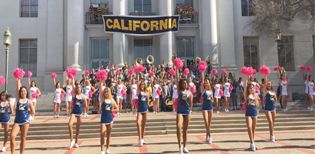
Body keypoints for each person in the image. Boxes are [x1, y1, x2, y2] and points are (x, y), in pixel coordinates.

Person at [11, 78, 35, 154]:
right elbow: (17, 88)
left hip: (25, 121)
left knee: (23, 138)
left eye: (24, 91)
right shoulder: (18, 99)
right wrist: (18, 80)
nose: (23, 92)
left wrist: (27, 111)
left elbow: (33, 112)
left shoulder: (29, 101)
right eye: (21, 91)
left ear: (26, 92)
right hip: (17, 122)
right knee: (12, 136)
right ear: (20, 93)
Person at [175, 68, 193, 154]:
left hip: (187, 111)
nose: (185, 83)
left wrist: (191, 110)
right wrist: (176, 69)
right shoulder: (179, 90)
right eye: (184, 82)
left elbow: (191, 102)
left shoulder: (189, 92)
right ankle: (180, 146)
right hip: (180, 112)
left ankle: (185, 146)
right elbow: (177, 79)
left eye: (186, 83)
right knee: (179, 127)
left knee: (185, 130)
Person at [99, 83, 119, 154]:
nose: (106, 93)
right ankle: (102, 150)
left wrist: (112, 110)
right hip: (103, 119)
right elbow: (100, 88)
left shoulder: (112, 100)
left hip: (110, 119)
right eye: (105, 92)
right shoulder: (102, 99)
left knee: (108, 135)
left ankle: (107, 149)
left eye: (107, 92)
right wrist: (101, 80)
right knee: (102, 134)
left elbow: (117, 109)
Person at [68, 80, 87, 149]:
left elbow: (85, 105)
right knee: (69, 125)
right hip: (74, 112)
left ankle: (76, 142)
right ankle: (71, 140)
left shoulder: (83, 96)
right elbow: (73, 85)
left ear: (81, 88)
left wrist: (85, 113)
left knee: (77, 129)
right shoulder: (74, 94)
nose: (78, 88)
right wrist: (72, 78)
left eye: (79, 87)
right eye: (77, 87)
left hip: (80, 113)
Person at [244, 80, 260, 151]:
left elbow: (258, 105)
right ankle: (253, 143)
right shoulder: (247, 95)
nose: (251, 89)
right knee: (249, 127)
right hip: (248, 114)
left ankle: (251, 144)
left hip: (255, 114)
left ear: (254, 89)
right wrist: (246, 76)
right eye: (250, 88)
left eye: (252, 88)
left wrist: (256, 84)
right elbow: (245, 85)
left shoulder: (256, 95)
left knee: (253, 130)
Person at [262, 76, 278, 142]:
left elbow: (276, 100)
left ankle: (271, 135)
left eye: (269, 84)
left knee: (272, 123)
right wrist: (265, 75)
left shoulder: (273, 92)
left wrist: (274, 98)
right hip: (267, 109)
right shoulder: (265, 91)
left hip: (273, 108)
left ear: (271, 85)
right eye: (267, 84)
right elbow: (264, 84)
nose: (268, 85)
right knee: (270, 122)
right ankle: (272, 136)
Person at [200, 73, 214, 144]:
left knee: (209, 124)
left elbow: (212, 100)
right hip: (204, 108)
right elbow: (202, 81)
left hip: (210, 107)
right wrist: (202, 72)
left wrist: (211, 99)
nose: (206, 83)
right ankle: (210, 137)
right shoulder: (203, 90)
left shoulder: (211, 91)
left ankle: (206, 137)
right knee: (206, 123)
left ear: (209, 83)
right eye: (205, 82)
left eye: (207, 82)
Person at [136, 75, 149, 146]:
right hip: (139, 110)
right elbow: (138, 83)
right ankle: (140, 138)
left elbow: (147, 101)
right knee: (138, 123)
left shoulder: (146, 92)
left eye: (143, 85)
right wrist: (138, 73)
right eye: (141, 84)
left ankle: (142, 139)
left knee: (143, 125)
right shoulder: (139, 92)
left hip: (145, 109)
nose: (142, 85)